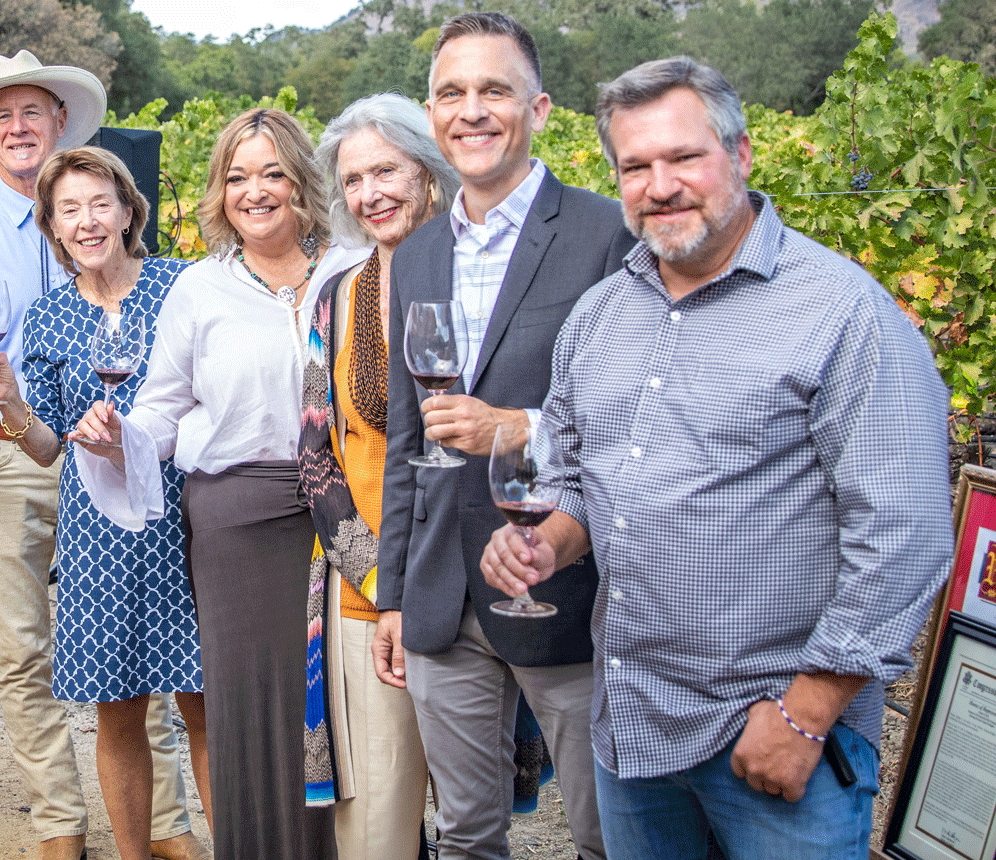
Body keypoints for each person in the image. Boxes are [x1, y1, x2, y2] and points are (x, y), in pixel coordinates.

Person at [480, 56, 954, 860]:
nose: (659, 184)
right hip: (632, 729)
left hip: (775, 738)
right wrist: (546, 541)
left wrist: (806, 713)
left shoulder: (843, 313)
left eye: (683, 158)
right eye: (635, 166)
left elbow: (904, 536)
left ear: (739, 156)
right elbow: (579, 479)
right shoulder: (603, 314)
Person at [0, 50, 209, 860]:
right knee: (25, 654)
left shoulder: (170, 280)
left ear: (60, 122)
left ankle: (169, 828)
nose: (18, 127)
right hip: (10, 462)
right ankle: (58, 824)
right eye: (2, 116)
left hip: (146, 485)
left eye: (32, 112)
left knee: (157, 659)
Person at [372, 12, 635, 860]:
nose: (472, 110)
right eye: (452, 92)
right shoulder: (414, 255)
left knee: (605, 835)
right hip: (445, 592)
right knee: (465, 835)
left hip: (567, 584)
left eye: (495, 90)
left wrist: (518, 428)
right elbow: (413, 440)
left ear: (541, 108)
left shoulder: (606, 234)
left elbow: (640, 416)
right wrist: (396, 591)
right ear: (432, 110)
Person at [76, 107, 368, 860]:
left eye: (272, 172)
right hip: (237, 522)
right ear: (219, 192)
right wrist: (119, 439)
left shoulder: (357, 270)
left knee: (356, 701)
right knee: (253, 714)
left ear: (303, 180)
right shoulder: (200, 289)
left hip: (351, 514)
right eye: (237, 176)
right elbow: (163, 408)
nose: (255, 191)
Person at [0, 146, 210, 860]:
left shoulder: (181, 285)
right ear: (53, 227)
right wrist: (8, 398)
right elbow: (45, 447)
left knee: (206, 710)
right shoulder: (46, 318)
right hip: (100, 532)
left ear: (130, 211)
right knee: (120, 712)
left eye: (100, 203)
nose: (87, 220)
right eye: (69, 209)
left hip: (186, 515)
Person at [300, 92, 458, 860]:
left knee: (472, 816)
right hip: (369, 592)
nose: (370, 193)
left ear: (429, 169)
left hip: (478, 585)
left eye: (386, 170)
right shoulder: (335, 299)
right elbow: (313, 450)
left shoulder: (484, 280)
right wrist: (376, 577)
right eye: (354, 179)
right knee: (378, 824)